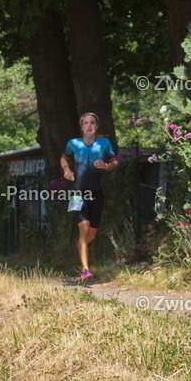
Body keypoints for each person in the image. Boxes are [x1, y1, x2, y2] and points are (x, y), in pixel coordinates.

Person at [60, 112, 118, 283]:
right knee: (84, 228)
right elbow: (64, 158)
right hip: (77, 193)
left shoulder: (104, 144)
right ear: (82, 126)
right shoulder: (73, 143)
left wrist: (107, 165)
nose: (89, 125)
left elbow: (115, 162)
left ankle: (81, 248)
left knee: (90, 235)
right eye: (86, 123)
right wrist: (66, 170)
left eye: (92, 122)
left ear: (97, 126)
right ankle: (85, 270)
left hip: (96, 193)